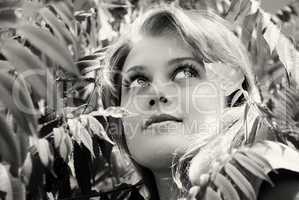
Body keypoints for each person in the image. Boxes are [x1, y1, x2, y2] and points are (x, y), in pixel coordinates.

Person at [100, 5, 299, 200]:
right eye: (138, 81)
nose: (156, 92)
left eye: (185, 72)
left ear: (234, 97)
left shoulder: (273, 174)